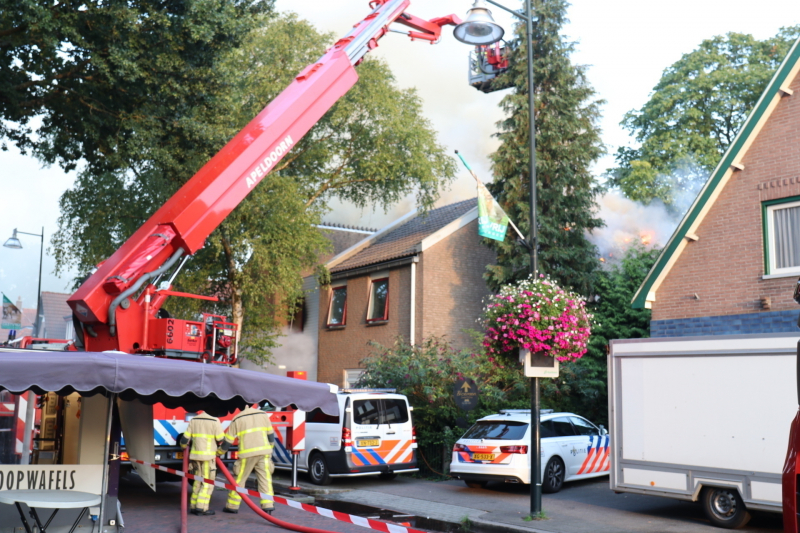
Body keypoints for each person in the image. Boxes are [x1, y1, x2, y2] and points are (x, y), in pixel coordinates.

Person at [221, 405, 275, 514]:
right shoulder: (263, 414)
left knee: (240, 480)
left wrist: (219, 452)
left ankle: (232, 506)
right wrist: (270, 447)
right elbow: (270, 434)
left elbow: (228, 440)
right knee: (265, 479)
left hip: (247, 455)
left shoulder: (237, 418)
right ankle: (268, 506)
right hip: (264, 452)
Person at [179, 411, 225, 516]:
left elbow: (185, 439)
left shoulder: (194, 420)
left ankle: (193, 506)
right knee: (207, 483)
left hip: (195, 457)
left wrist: (183, 447)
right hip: (208, 457)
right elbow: (221, 439)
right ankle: (201, 508)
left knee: (197, 482)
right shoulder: (215, 421)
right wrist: (220, 452)